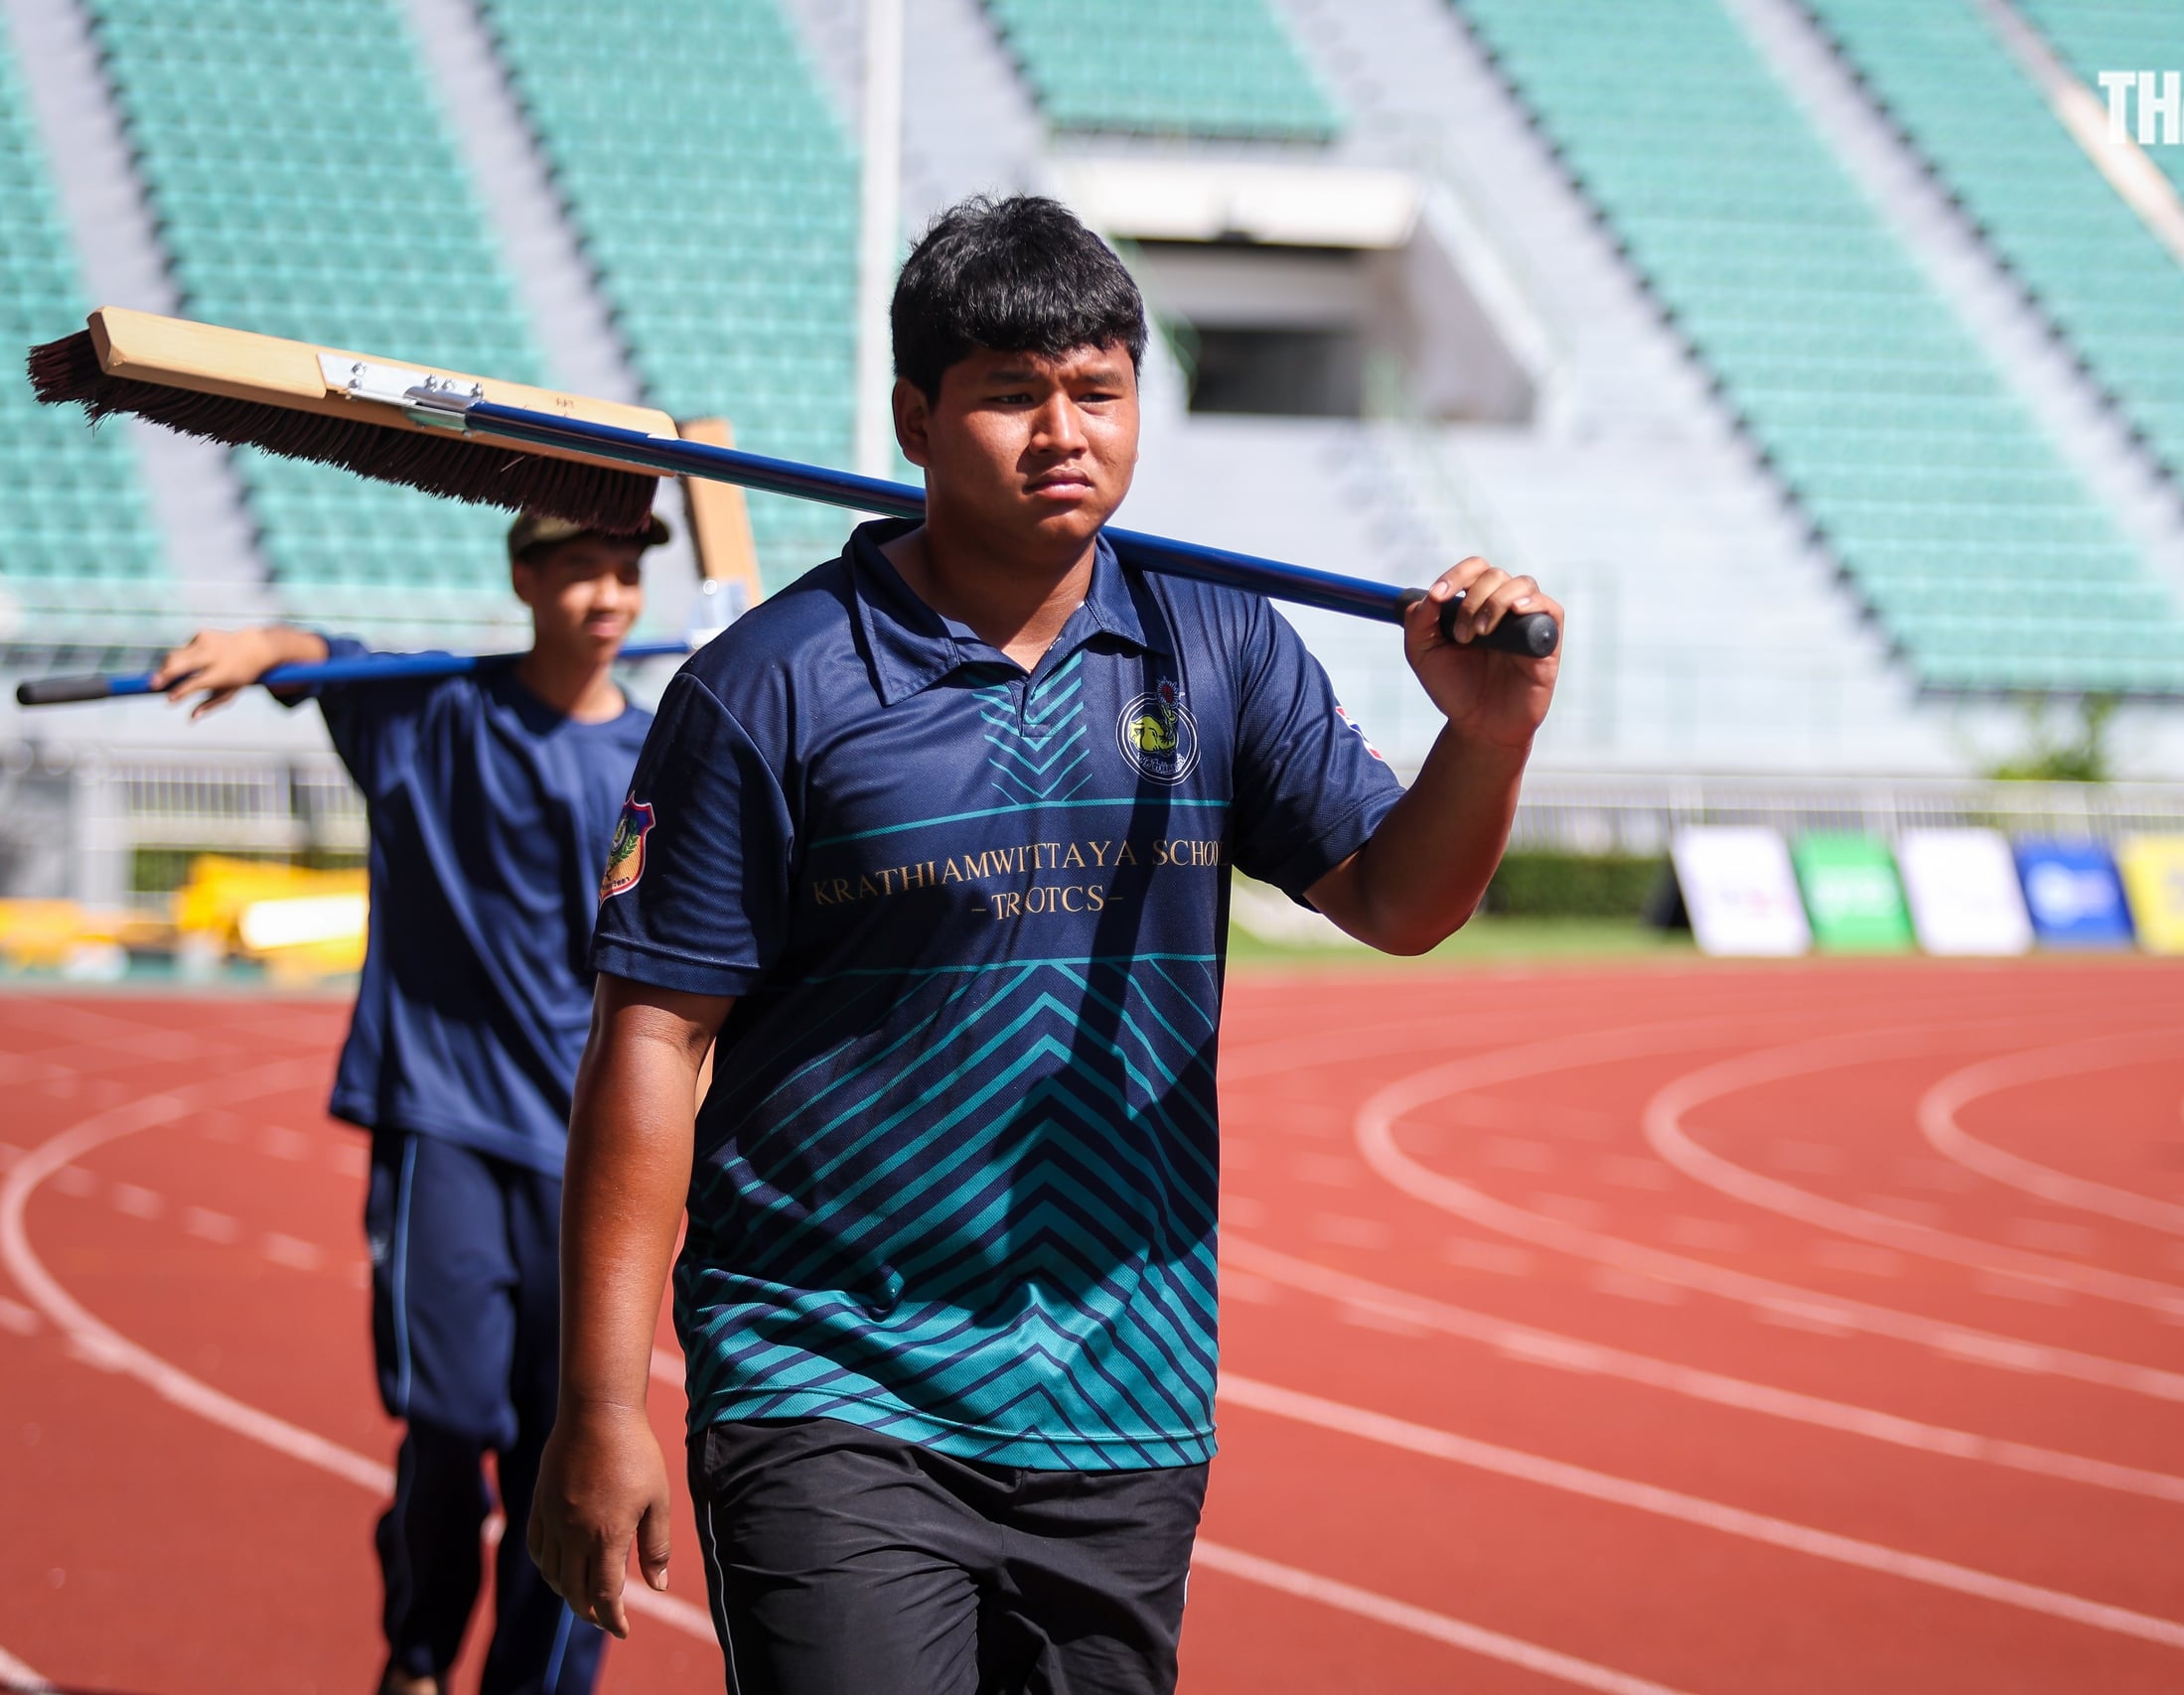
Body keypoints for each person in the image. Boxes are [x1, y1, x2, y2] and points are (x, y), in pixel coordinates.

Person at [525, 194, 1561, 1694]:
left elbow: (1397, 903)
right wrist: (599, 1399)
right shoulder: (770, 686)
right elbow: (652, 1036)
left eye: (1099, 389)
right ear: (914, 416)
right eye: (1012, 393)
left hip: (1121, 1385)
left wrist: (1484, 741)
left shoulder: (1218, 640)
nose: (1063, 430)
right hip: (832, 1374)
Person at [157, 510, 669, 1695]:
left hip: (596, 1157)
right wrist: (255, 645)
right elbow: (320, 654)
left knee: (577, 1449)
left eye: (629, 574)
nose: (608, 598)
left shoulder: (661, 760)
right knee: (449, 1433)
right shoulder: (432, 716)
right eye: (583, 570)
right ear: (525, 577)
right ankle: (421, 1661)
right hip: (445, 1127)